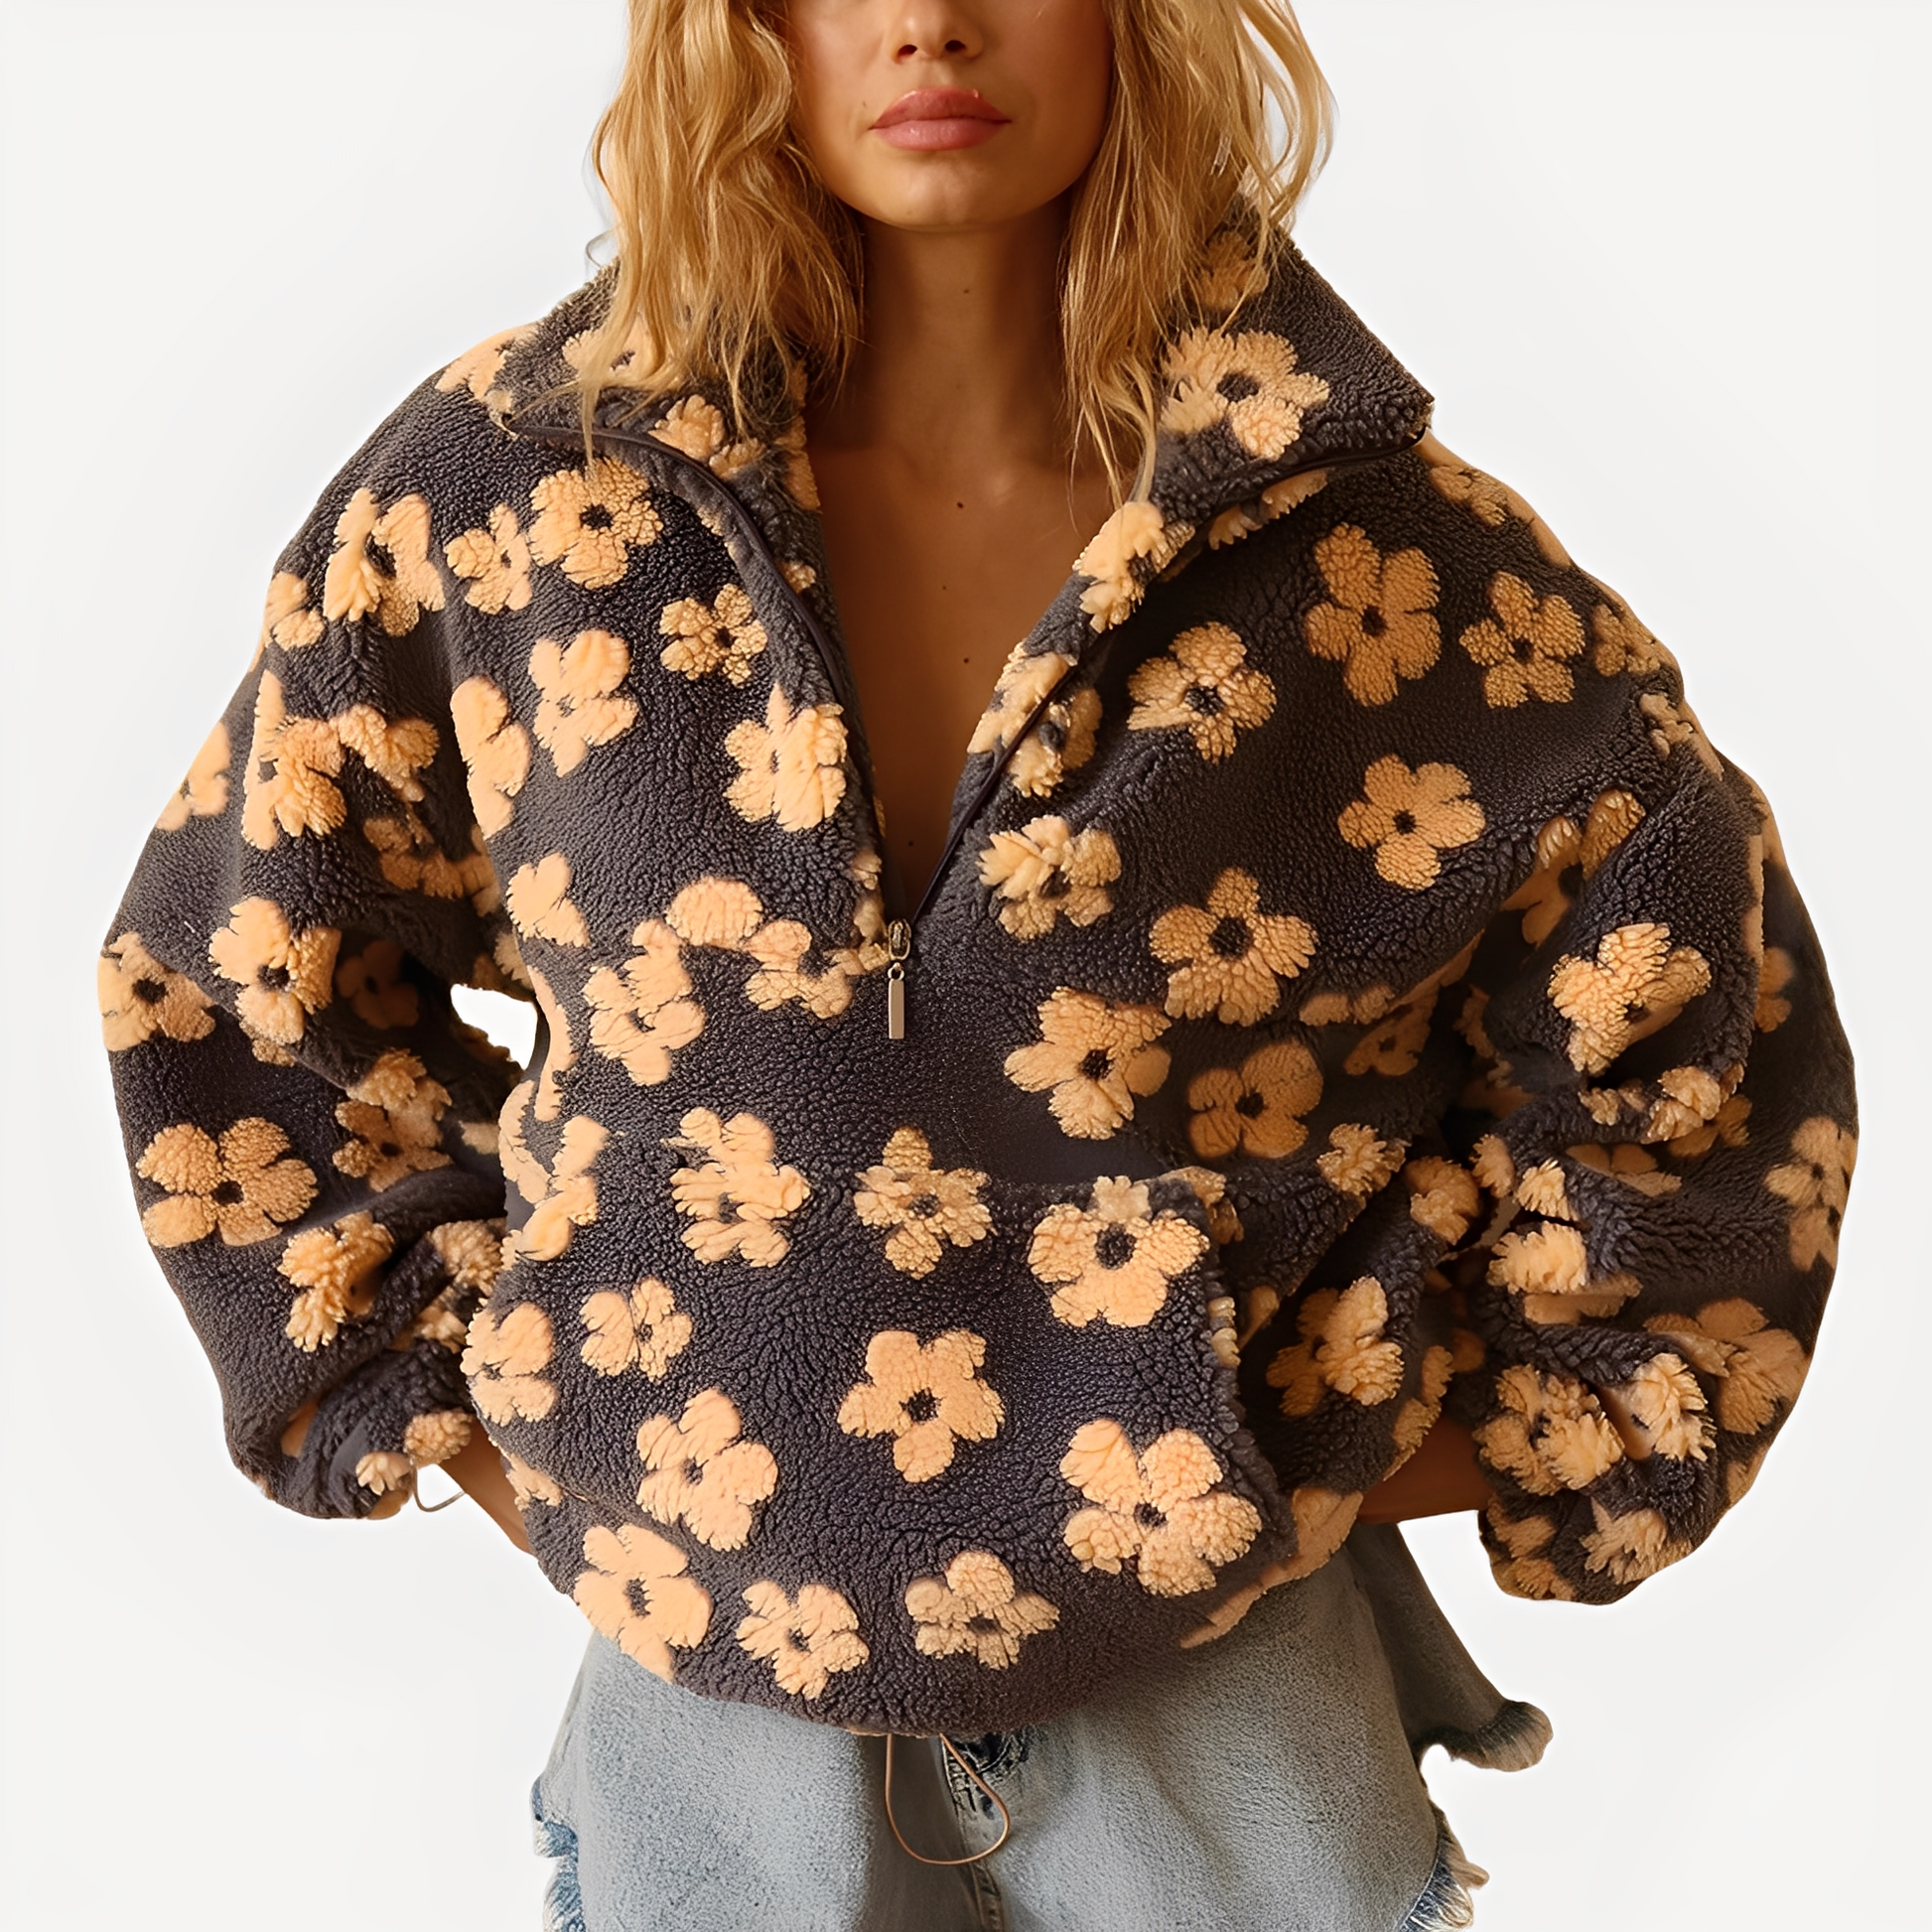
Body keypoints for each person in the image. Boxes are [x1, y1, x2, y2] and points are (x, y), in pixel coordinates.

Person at [98, 2, 1855, 1926]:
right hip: (705, 1712)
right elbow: (235, 983)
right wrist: (551, 1447)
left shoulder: (1380, 556)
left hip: (1233, 1710)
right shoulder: (513, 499)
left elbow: (1702, 1051)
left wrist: (1269, 1457)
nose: (928, 20)